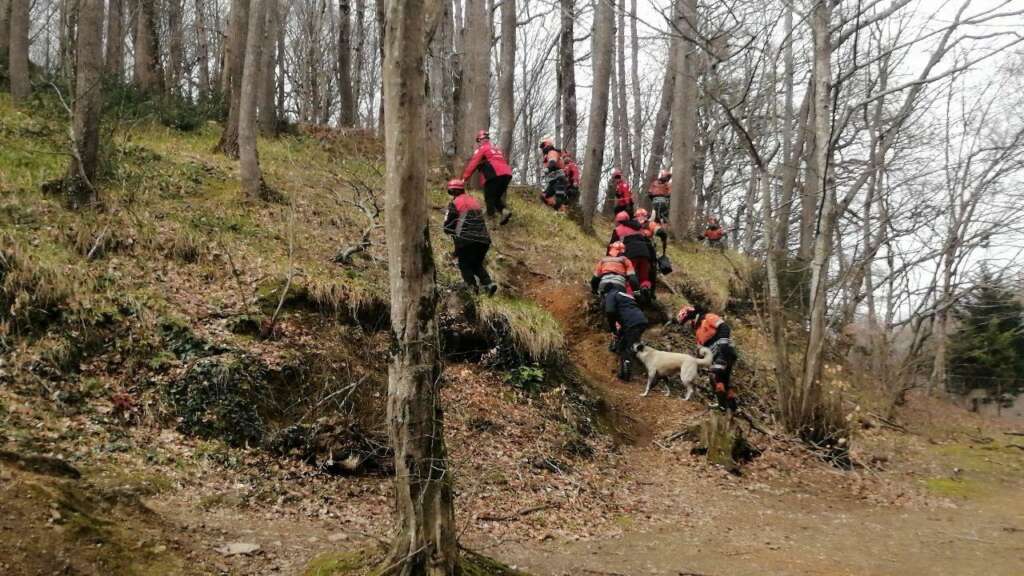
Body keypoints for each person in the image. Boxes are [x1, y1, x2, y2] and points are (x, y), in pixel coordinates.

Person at [676, 305, 738, 411]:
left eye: (686, 322)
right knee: (722, 380)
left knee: (715, 376)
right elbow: (701, 349)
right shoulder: (697, 330)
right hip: (716, 355)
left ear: (690, 316)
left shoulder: (708, 317)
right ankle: (731, 407)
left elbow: (724, 327)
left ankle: (722, 406)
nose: (686, 325)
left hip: (724, 351)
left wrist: (723, 344)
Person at [443, 179, 497, 295]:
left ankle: (472, 289)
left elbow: (448, 225)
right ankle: (488, 284)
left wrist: (448, 231)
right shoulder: (474, 201)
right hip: (484, 240)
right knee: (476, 263)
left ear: (453, 191)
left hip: (466, 239)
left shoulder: (455, 203)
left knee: (464, 265)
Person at [462, 130, 514, 225]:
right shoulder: (496, 149)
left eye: (479, 141)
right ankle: (504, 211)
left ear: (481, 140)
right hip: (507, 174)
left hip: (494, 174)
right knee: (496, 197)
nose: (479, 143)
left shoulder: (482, 149)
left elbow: (473, 164)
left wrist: (464, 178)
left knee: (489, 197)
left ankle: (490, 219)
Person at [610, 211, 653, 302]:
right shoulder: (638, 227)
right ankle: (645, 288)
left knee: (630, 278)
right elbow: (647, 241)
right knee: (644, 277)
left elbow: (612, 246)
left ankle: (631, 298)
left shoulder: (618, 230)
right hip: (645, 254)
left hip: (632, 254)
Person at [635, 208, 668, 300]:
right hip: (648, 252)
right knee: (652, 272)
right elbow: (662, 232)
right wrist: (664, 244)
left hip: (631, 252)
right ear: (646, 216)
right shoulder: (650, 224)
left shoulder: (631, 224)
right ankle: (651, 293)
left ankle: (633, 292)